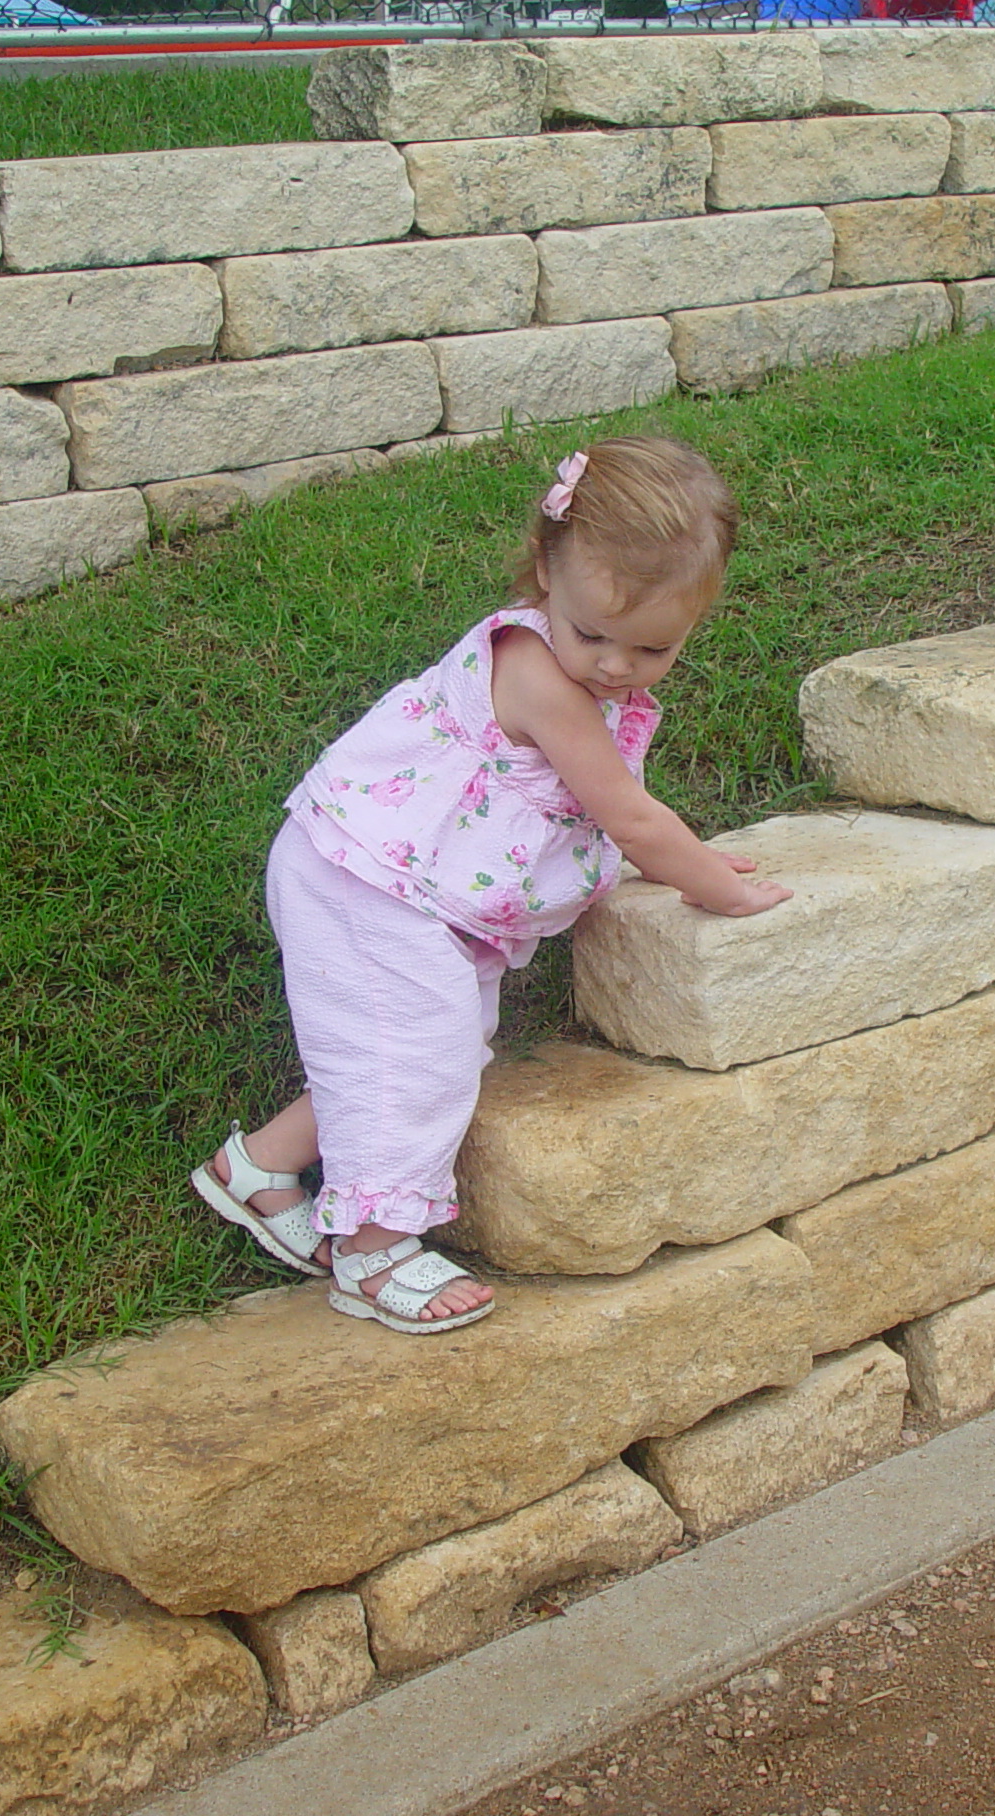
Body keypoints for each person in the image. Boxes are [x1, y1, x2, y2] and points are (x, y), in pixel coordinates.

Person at [188, 437, 791, 1334]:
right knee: (417, 1056)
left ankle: (261, 1169)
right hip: (365, 879)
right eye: (594, 634)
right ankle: (371, 1252)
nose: (615, 667)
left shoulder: (578, 661)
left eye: (652, 648)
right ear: (546, 569)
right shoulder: (537, 672)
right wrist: (718, 887)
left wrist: (690, 854)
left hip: (406, 882)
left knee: (424, 1046)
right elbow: (626, 817)